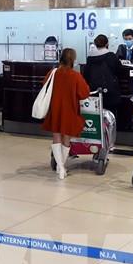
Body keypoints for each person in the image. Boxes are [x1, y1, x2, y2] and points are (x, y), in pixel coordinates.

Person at [43, 48, 96, 179]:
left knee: (56, 136)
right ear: (73, 60)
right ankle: (62, 167)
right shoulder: (75, 76)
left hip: (55, 108)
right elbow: (84, 93)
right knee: (66, 137)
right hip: (70, 109)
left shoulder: (53, 73)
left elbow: (44, 86)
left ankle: (60, 167)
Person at [83, 35, 121, 111]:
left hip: (94, 91)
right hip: (110, 92)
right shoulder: (111, 56)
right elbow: (119, 71)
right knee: (111, 116)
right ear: (107, 44)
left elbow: (86, 75)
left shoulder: (90, 58)